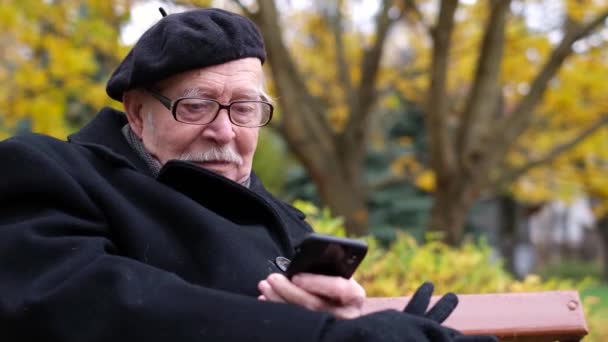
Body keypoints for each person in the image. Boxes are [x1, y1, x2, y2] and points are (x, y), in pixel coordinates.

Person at [0, 7, 496, 342]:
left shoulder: (290, 226)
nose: (223, 131)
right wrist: (321, 336)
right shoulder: (47, 170)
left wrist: (344, 319)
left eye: (244, 108)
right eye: (195, 107)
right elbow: (91, 304)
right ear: (135, 113)